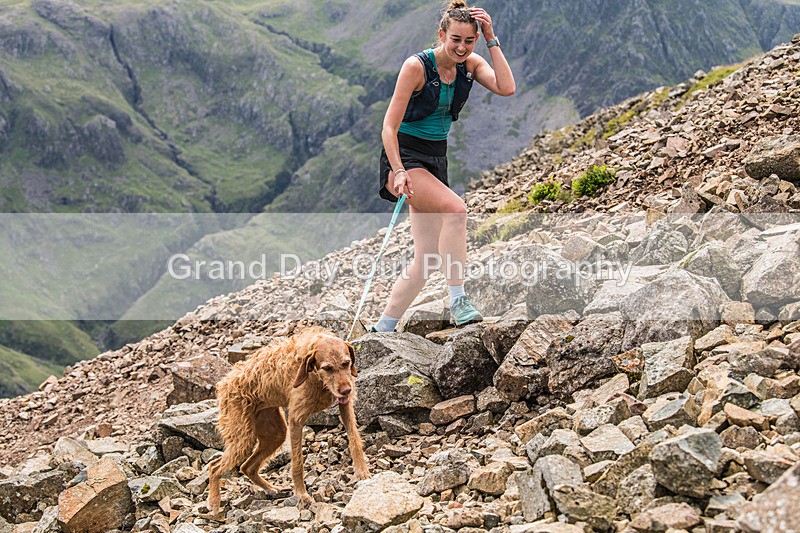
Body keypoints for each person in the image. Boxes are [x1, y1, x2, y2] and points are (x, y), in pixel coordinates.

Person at [373, 1, 515, 333]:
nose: (462, 47)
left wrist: (492, 38)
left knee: (427, 258)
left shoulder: (471, 64)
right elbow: (388, 129)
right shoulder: (416, 67)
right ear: (442, 34)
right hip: (406, 158)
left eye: (469, 41)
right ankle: (459, 300)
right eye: (455, 39)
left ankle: (382, 328)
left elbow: (507, 88)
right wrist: (398, 171)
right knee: (457, 210)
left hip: (437, 159)